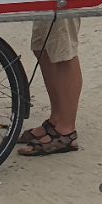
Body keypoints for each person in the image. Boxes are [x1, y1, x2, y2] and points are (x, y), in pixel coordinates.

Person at [18, 16, 82, 156]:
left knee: (64, 51)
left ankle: (66, 130)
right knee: (41, 47)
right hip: (47, 1)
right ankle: (56, 120)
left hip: (62, 2)